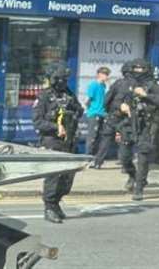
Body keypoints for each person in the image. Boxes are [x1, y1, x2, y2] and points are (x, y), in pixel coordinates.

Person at [105, 58, 159, 201]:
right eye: (136, 68)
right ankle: (133, 176)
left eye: (142, 69)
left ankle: (139, 188)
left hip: (145, 126)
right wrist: (120, 106)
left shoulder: (152, 85)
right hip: (126, 125)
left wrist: (146, 95)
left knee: (143, 158)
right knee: (124, 157)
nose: (139, 72)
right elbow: (108, 103)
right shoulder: (121, 84)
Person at [32, 66, 84, 223]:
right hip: (52, 141)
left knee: (68, 176)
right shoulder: (44, 96)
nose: (63, 83)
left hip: (69, 141)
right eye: (61, 80)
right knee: (54, 175)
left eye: (65, 80)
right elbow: (38, 122)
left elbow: (79, 110)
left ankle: (56, 203)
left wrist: (73, 112)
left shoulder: (68, 94)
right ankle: (49, 206)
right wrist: (56, 127)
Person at [85, 67, 111, 168]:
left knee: (101, 138)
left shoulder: (104, 86)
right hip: (95, 113)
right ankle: (88, 160)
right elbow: (88, 99)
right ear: (99, 74)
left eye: (107, 74)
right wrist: (90, 110)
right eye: (104, 74)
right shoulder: (93, 85)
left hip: (103, 114)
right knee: (92, 138)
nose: (106, 76)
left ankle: (97, 160)